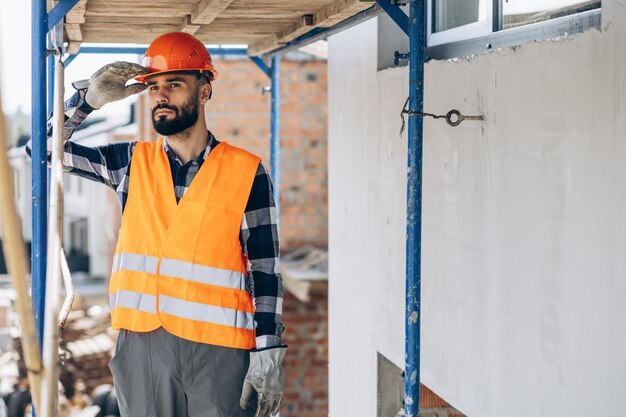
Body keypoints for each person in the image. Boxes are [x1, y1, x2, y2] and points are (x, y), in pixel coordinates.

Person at [27, 32, 286, 417]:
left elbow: (264, 271)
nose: (160, 96)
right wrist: (86, 101)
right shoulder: (130, 164)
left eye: (174, 84)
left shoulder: (246, 172)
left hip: (221, 351)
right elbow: (41, 150)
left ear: (204, 91)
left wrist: (268, 350)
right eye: (154, 87)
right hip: (143, 346)